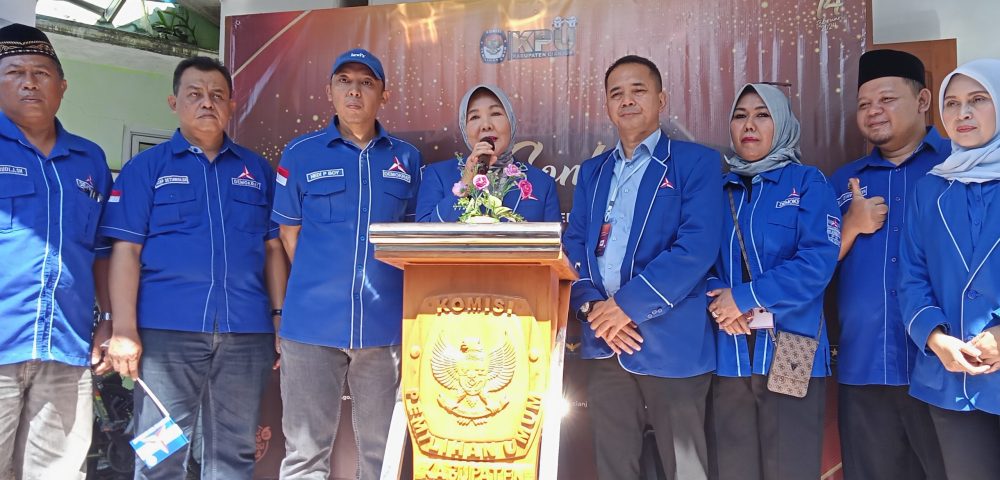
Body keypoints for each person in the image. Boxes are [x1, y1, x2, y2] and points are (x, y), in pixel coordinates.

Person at [101, 56, 286, 479]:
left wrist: (279, 316)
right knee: (159, 450)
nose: (207, 103)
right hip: (166, 335)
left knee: (234, 453)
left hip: (245, 334)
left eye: (217, 95)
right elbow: (125, 251)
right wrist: (124, 329)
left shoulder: (256, 171)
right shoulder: (146, 168)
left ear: (232, 105)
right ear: (174, 102)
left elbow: (273, 249)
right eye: (195, 94)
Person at [563, 55, 722, 480]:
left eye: (638, 90)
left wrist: (625, 307)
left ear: (661, 99)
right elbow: (574, 245)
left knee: (686, 470)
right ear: (607, 105)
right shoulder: (593, 172)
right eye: (616, 93)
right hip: (605, 343)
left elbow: (696, 247)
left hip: (673, 345)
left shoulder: (696, 163)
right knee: (614, 467)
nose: (627, 100)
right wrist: (592, 309)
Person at [271, 48, 421, 479]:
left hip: (383, 329)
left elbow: (413, 240)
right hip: (311, 327)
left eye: (366, 83)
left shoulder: (407, 159)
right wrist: (326, 282)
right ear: (329, 92)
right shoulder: (301, 153)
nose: (355, 91)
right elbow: (288, 234)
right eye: (345, 81)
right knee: (304, 454)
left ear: (384, 95)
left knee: (382, 454)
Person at [706, 83, 840, 480]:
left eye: (762, 115)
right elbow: (697, 259)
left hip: (793, 347)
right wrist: (719, 301)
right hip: (730, 351)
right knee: (734, 470)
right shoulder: (719, 190)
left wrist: (745, 297)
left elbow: (816, 263)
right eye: (740, 115)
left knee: (790, 468)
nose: (749, 124)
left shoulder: (808, 183)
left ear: (782, 123)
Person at [0, 23, 113, 479]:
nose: (29, 82)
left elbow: (101, 250)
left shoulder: (90, 160)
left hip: (66, 349)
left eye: (41, 73)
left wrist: (108, 320)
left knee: (58, 472)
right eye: (15, 72)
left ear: (62, 86)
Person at [830, 49, 948, 479]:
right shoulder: (843, 181)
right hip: (865, 367)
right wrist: (850, 226)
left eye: (886, 99)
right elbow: (811, 268)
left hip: (945, 365)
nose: (873, 111)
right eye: (864, 103)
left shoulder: (958, 166)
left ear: (922, 101)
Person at [899, 58, 1000, 480]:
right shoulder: (930, 189)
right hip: (952, 378)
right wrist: (936, 339)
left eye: (978, 99)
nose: (963, 113)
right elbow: (912, 276)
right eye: (953, 103)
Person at [416, 84, 560, 222]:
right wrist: (465, 183)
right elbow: (426, 233)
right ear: (464, 128)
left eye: (496, 113)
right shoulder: (438, 175)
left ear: (511, 122)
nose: (486, 125)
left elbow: (553, 238)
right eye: (474, 117)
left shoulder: (542, 183)